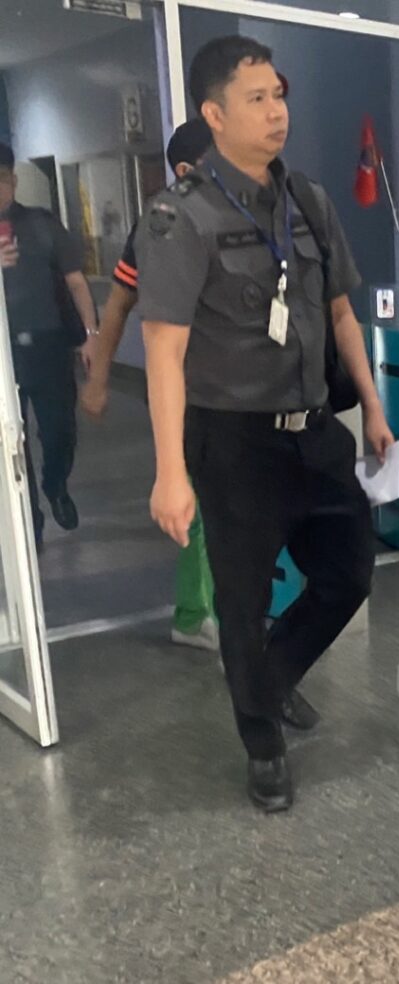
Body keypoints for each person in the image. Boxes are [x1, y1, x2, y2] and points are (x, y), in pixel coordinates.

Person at [136, 36, 393, 812]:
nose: (277, 111)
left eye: (279, 95)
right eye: (256, 98)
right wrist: (170, 472)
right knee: (243, 604)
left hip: (314, 428)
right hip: (234, 443)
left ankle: (271, 680)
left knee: (349, 573)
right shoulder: (179, 217)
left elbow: (340, 312)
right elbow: (163, 350)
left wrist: (373, 407)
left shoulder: (309, 201)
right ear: (214, 115)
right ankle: (263, 747)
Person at [81, 118, 220, 654]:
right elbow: (118, 306)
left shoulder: (241, 215)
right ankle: (195, 614)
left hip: (238, 390)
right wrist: (99, 380)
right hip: (188, 390)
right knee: (201, 504)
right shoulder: (159, 229)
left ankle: (218, 606)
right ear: (185, 170)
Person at [0, 141, 99, 546]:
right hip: (2, 355)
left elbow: (76, 281)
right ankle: (30, 519)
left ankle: (55, 483)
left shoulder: (42, 224)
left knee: (60, 431)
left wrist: (91, 335)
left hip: (49, 347)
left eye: (2, 180)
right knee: (10, 442)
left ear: (13, 180)